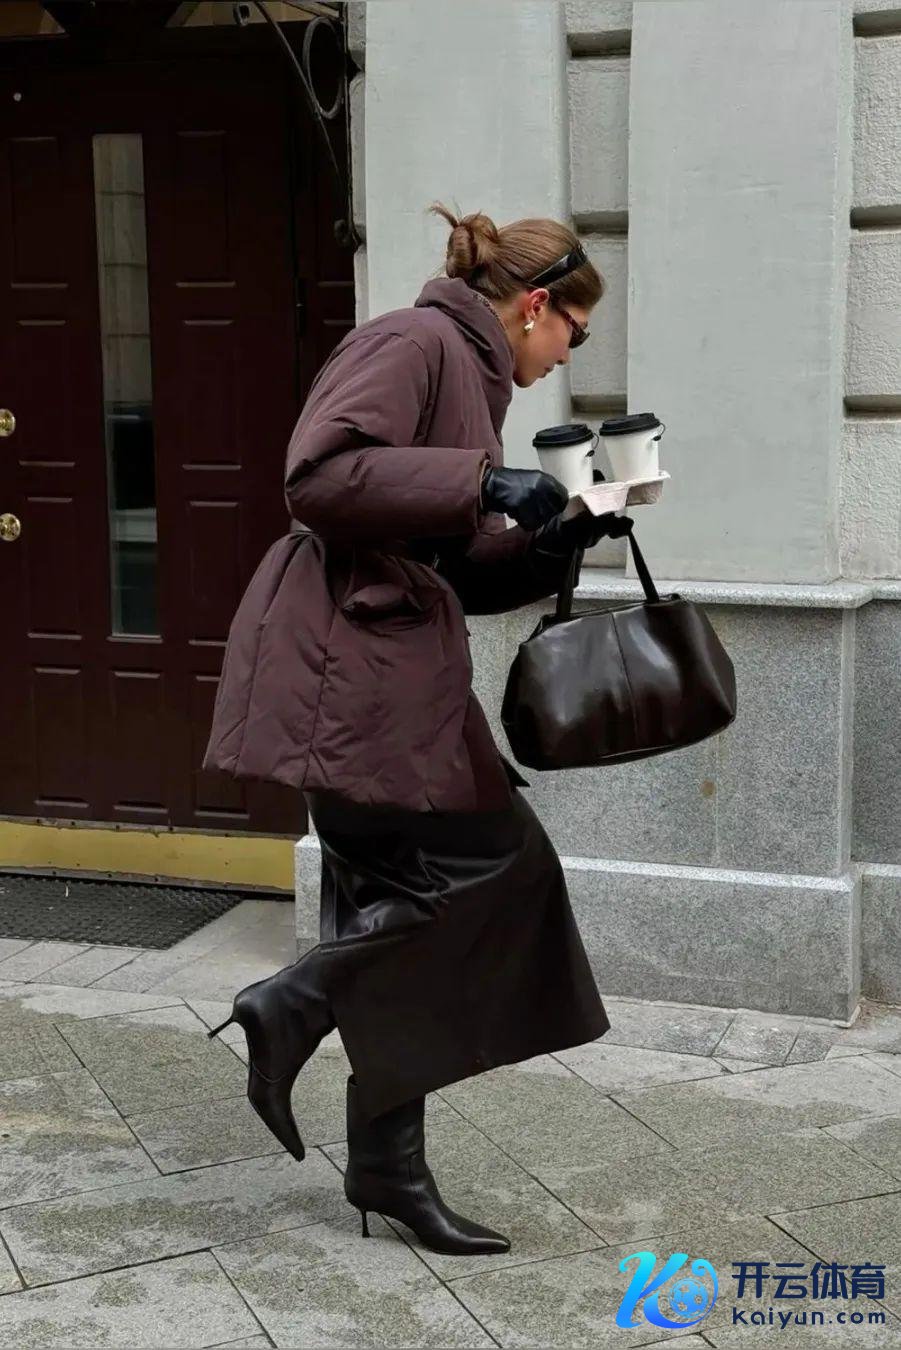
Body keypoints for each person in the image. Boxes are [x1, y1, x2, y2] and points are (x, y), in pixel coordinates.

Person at [202, 203, 631, 1257]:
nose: (566, 355)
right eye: (574, 334)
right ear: (535, 305)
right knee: (498, 868)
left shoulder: (470, 377)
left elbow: (451, 567)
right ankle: (291, 1004)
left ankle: (386, 1165)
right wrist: (482, 479)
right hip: (345, 669)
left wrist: (559, 533)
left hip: (384, 668)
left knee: (393, 900)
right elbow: (316, 476)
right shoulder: (412, 340)